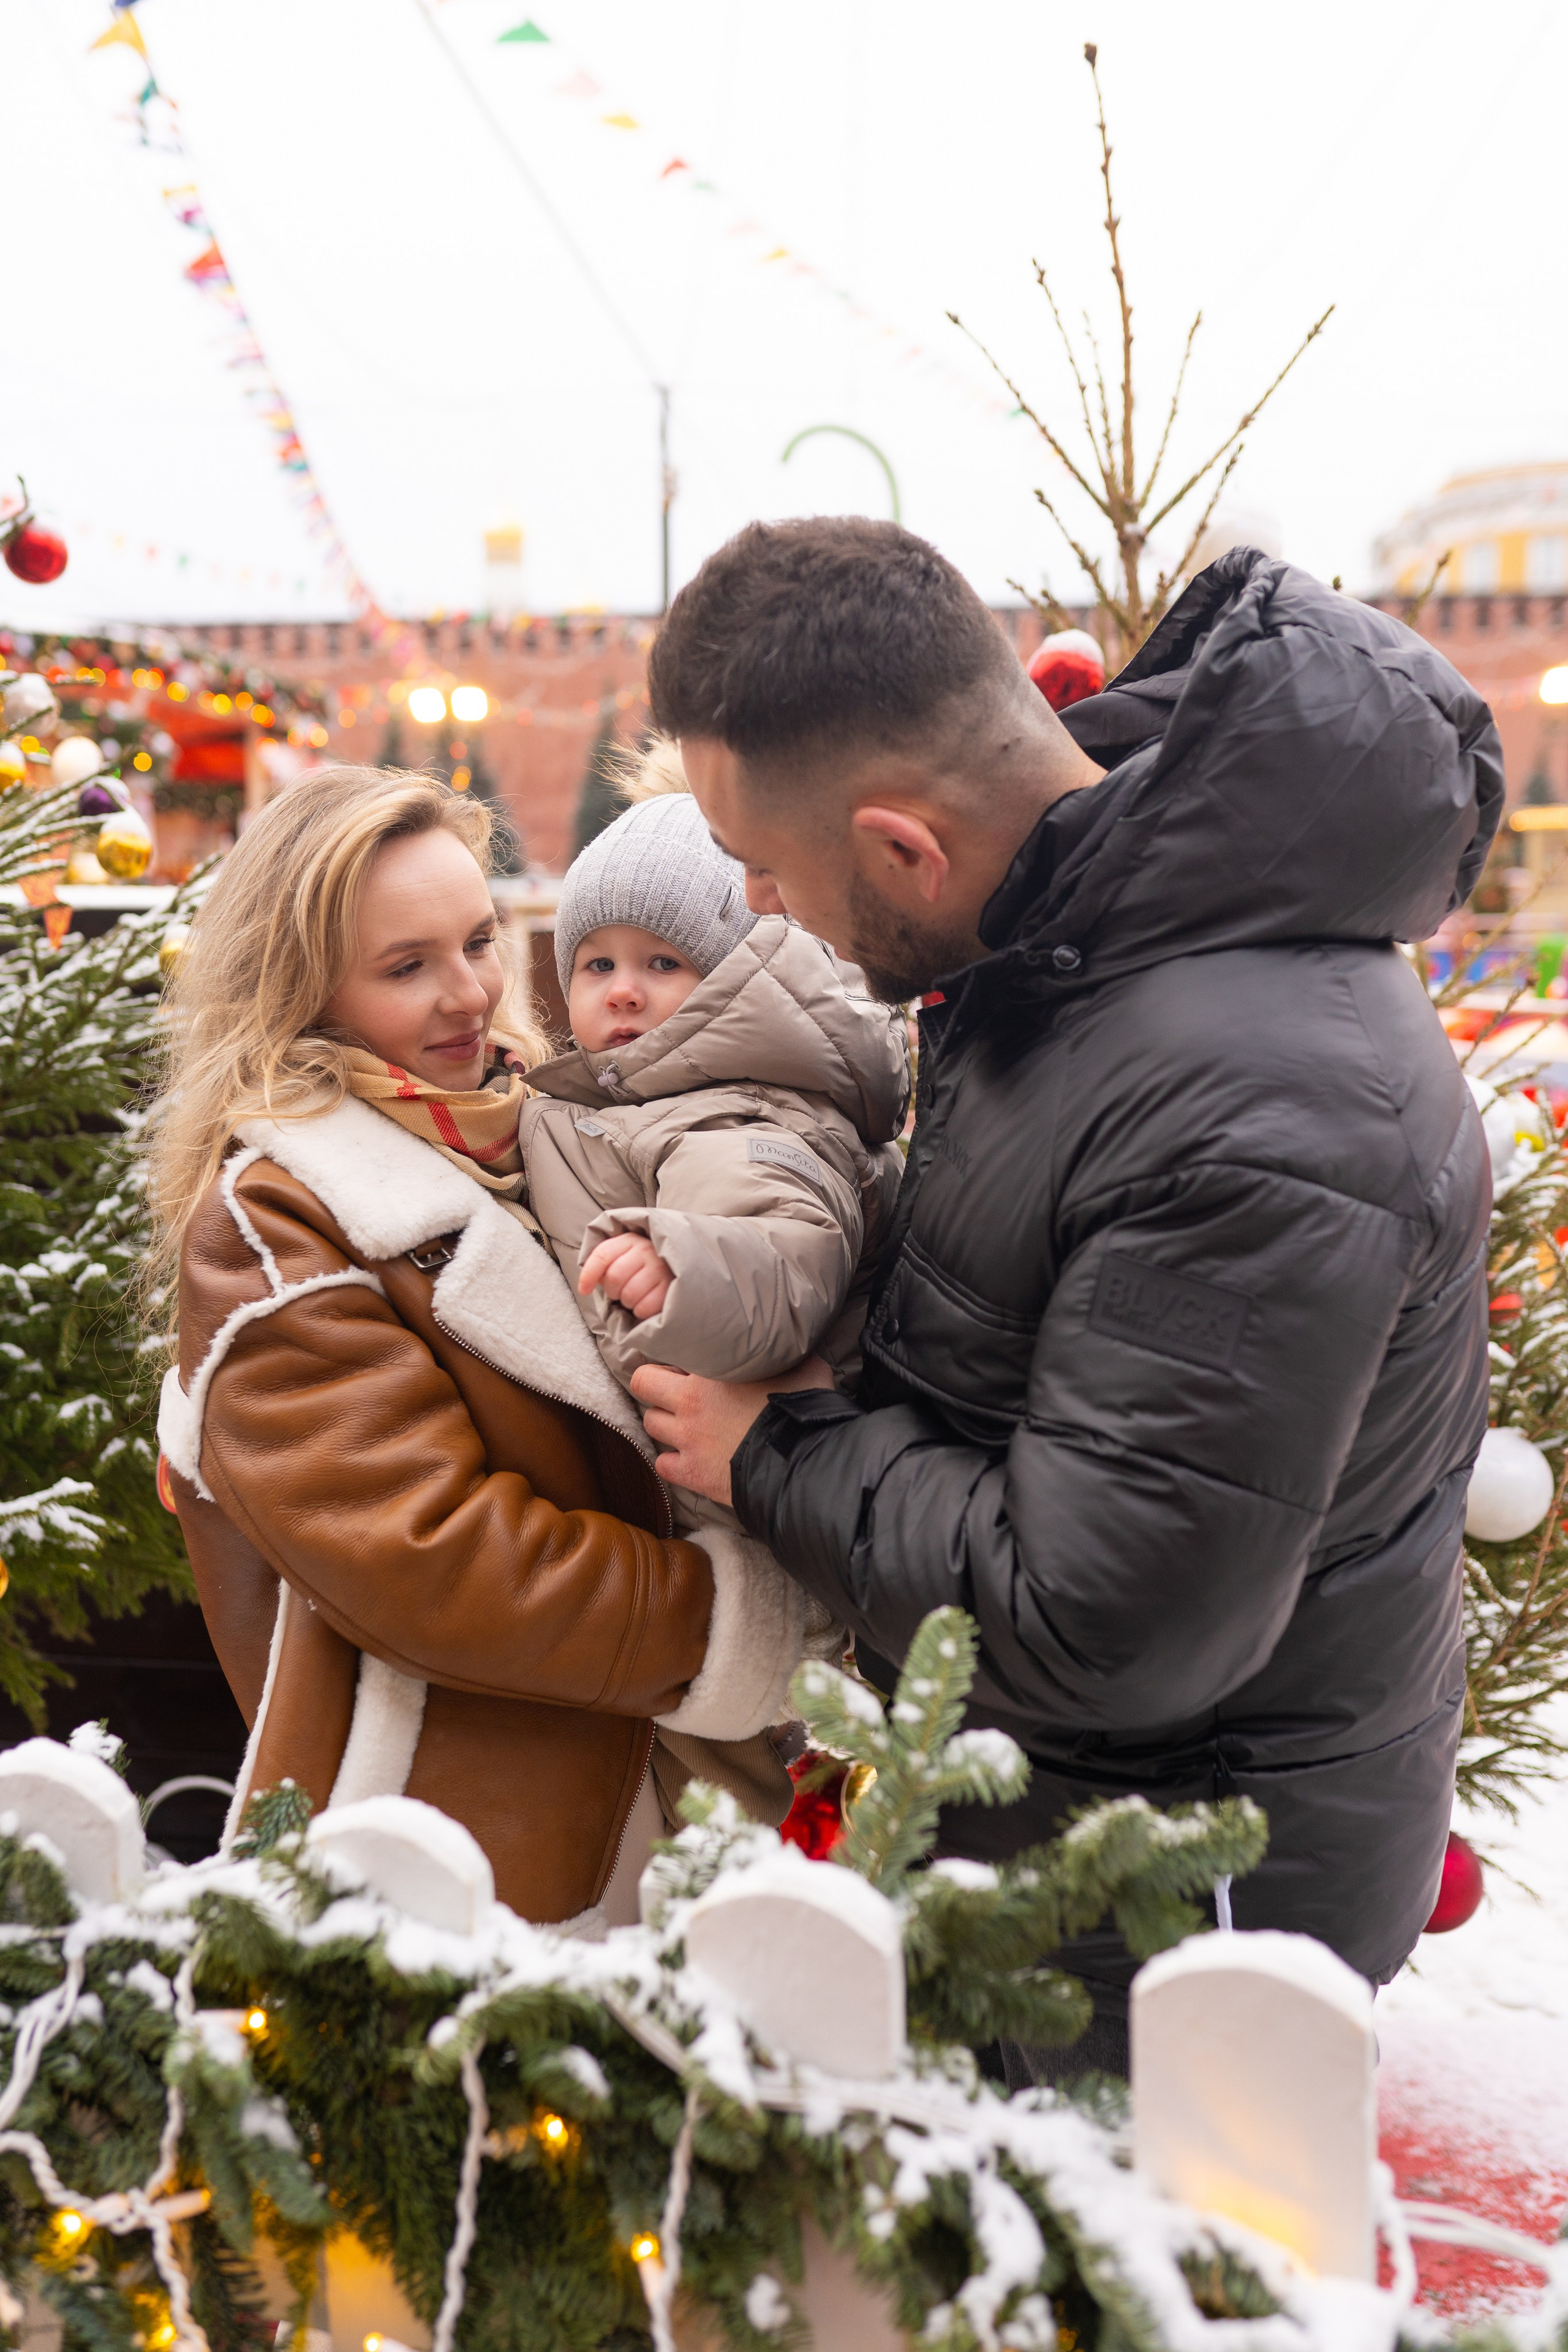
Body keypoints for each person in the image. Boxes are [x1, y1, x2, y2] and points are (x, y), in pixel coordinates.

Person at [629, 519, 1504, 2076]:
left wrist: (777, 1446)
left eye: (767, 864)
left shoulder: (1253, 1103)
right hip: (1061, 1848)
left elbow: (1103, 1618)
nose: (756, 905)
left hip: (1170, 1929)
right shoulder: (1067, 952)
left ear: (905, 847)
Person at [148, 766, 807, 1931]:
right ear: (301, 989)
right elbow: (438, 1561)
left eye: (479, 942)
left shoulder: (553, 1130)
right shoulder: (276, 1219)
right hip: (477, 1850)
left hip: (676, 1791)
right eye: (406, 967)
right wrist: (743, 1620)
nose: (468, 995)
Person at [521, 747, 908, 1400]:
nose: (623, 991)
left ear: (731, 980)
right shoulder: (634, 1099)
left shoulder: (742, 1114)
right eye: (598, 965)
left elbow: (786, 1251)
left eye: (663, 964)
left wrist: (682, 1270)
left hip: (734, 1472)